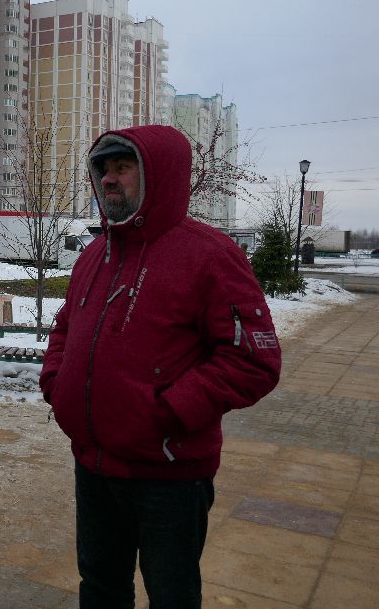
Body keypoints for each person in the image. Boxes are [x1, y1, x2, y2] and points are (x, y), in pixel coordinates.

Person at [39, 124, 281, 609]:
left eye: (123, 167)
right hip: (94, 465)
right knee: (101, 588)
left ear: (160, 176)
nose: (109, 179)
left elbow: (254, 359)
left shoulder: (210, 255)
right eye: (103, 169)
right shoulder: (94, 254)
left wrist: (166, 411)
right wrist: (56, 380)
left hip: (168, 476)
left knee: (171, 596)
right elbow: (66, 326)